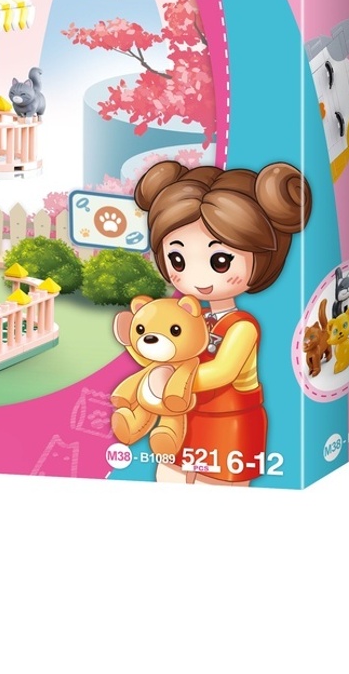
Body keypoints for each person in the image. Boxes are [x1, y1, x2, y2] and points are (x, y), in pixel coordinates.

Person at [133, 161, 310, 486]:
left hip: (230, 423)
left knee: (216, 489)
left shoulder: (242, 326)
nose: (198, 278)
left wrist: (167, 379)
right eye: (177, 260)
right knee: (168, 478)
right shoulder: (191, 317)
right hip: (185, 417)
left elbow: (221, 372)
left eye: (219, 261)